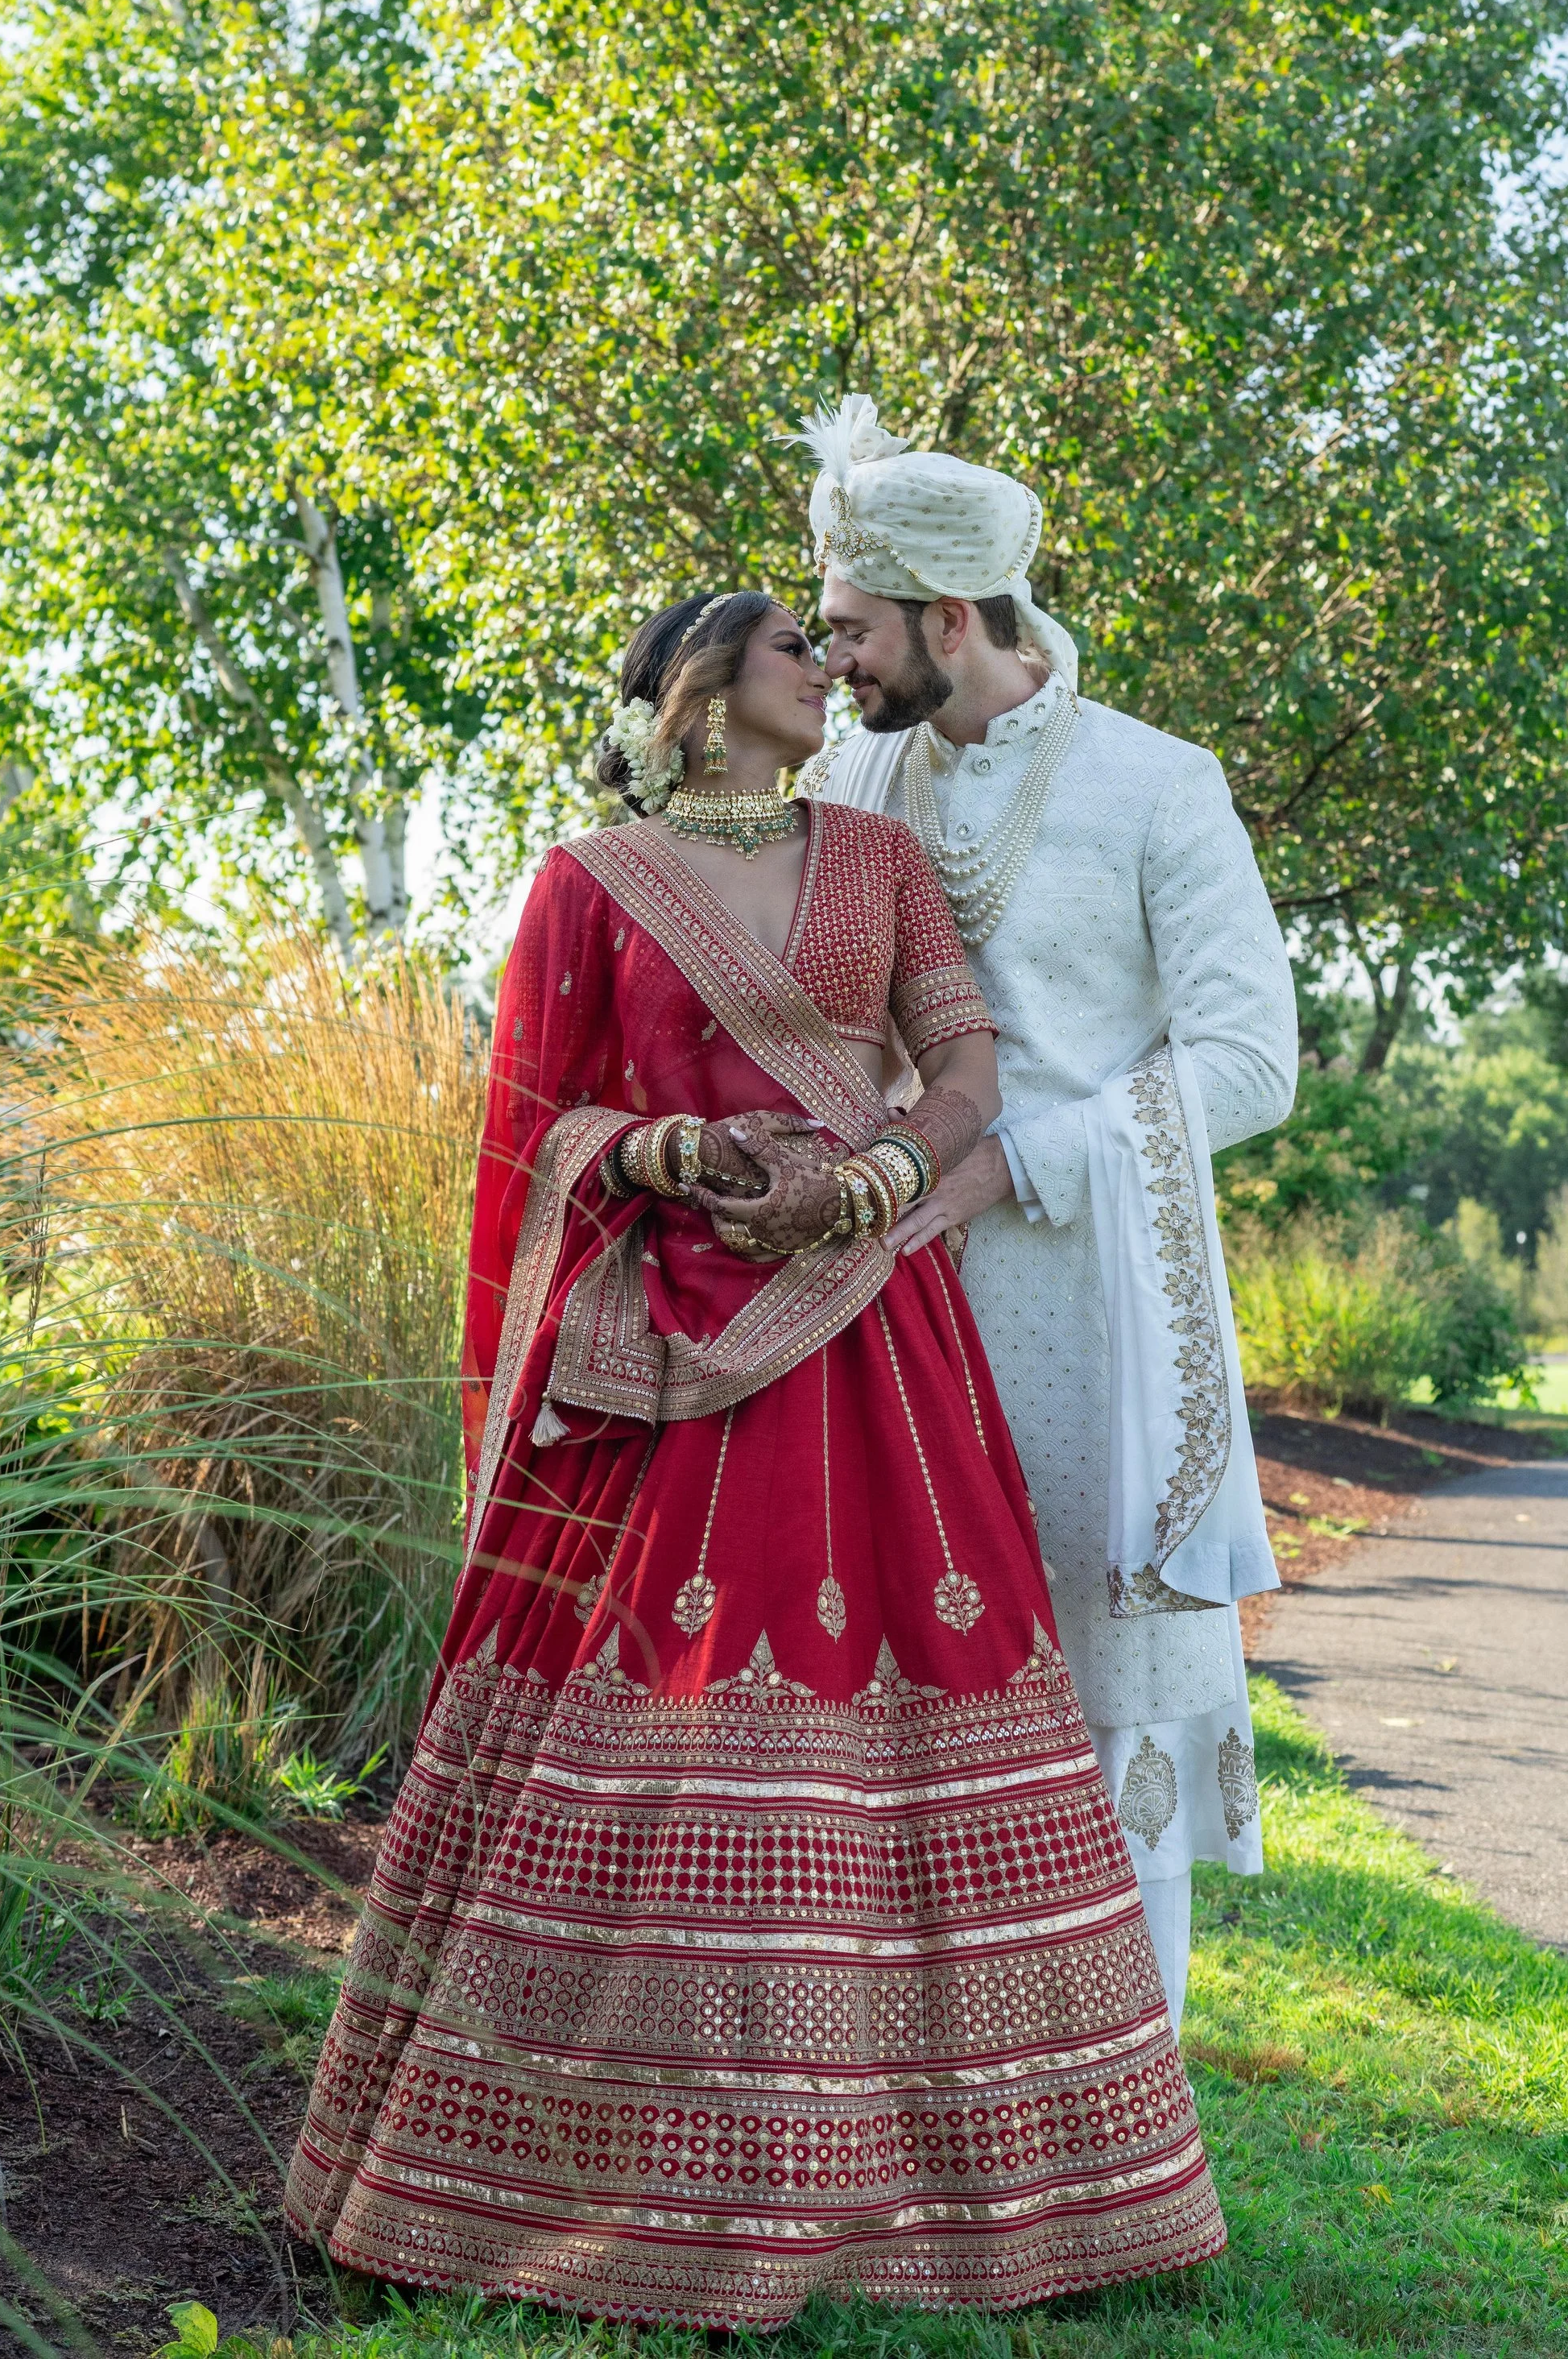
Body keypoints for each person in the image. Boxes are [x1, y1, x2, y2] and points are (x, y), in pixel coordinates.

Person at [284, 589, 1227, 2328]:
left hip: (867, 1324)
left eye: (833, 640)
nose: (833, 669)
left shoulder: (872, 861)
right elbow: (522, 1119)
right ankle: (577, 2197)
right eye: (799, 648)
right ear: (705, 692)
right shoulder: (587, 883)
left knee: (933, 1697)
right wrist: (650, 1149)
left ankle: (1005, 2209)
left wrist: (871, 1181)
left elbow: (963, 1065)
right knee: (639, 1721)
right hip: (664, 1350)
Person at [803, 399, 1299, 2031]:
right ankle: (917, 2098)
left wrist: (1013, 1164)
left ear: (953, 618)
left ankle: (1125, 2112)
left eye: (857, 630)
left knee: (1109, 1698)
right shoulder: (851, 775)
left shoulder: (1157, 786)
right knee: (880, 1676)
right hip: (880, 1289)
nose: (835, 659)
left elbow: (1246, 1063)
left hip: (1094, 1303)